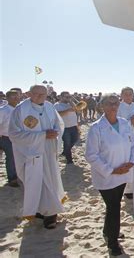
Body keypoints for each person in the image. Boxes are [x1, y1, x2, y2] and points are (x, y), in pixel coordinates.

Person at [85, 94, 134, 256]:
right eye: (109, 103)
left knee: (113, 206)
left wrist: (131, 161)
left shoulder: (124, 123)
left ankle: (109, 232)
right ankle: (113, 242)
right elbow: (91, 155)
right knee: (114, 207)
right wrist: (111, 170)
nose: (113, 106)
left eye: (116, 103)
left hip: (124, 173)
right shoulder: (96, 128)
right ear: (102, 106)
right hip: (106, 176)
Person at [9, 85, 66, 229]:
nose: (40, 97)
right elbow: (14, 134)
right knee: (36, 182)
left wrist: (55, 133)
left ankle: (50, 215)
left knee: (50, 181)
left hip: (49, 151)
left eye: (43, 94)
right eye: (37, 94)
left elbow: (59, 124)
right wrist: (42, 136)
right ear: (29, 94)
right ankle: (42, 211)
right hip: (31, 153)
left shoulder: (49, 107)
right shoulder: (21, 110)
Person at [0, 90, 21, 187]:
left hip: (17, 138)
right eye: (13, 97)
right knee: (11, 158)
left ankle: (15, 176)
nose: (16, 99)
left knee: (15, 158)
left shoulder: (20, 109)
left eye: (17, 97)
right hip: (5, 138)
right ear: (7, 98)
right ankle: (12, 179)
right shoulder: (3, 110)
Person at [54, 91, 80, 164]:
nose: (68, 98)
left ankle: (65, 151)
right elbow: (57, 115)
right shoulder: (57, 105)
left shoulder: (70, 104)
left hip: (73, 126)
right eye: (66, 97)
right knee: (67, 143)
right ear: (61, 97)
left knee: (75, 139)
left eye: (69, 96)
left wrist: (71, 101)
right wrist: (68, 110)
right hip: (64, 128)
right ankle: (69, 160)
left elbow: (78, 111)